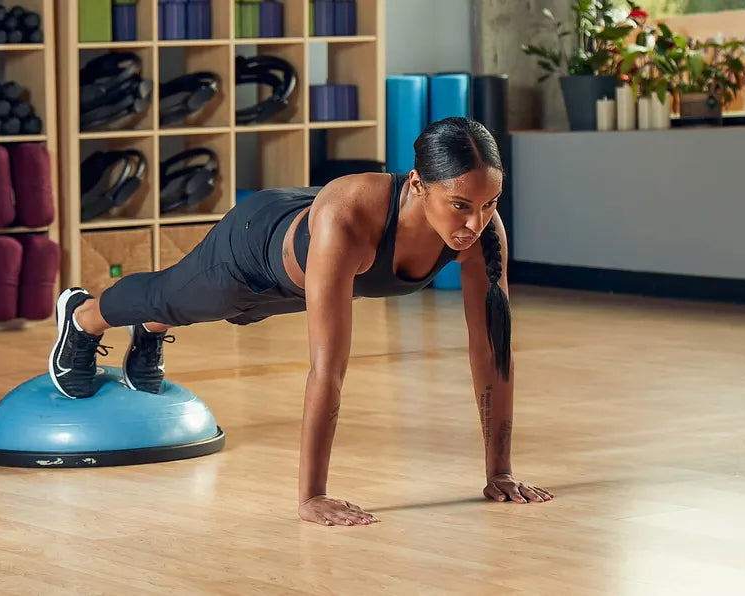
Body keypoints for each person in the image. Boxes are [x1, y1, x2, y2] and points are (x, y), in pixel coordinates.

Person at [47, 116, 555, 527]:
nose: (476, 223)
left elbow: (492, 351)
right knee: (173, 296)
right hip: (252, 251)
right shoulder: (350, 218)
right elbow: (327, 368)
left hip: (305, 280)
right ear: (419, 185)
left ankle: (151, 328)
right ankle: (84, 315)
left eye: (490, 204)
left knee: (194, 310)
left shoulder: (482, 233)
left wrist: (500, 471)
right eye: (461, 206)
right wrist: (313, 495)